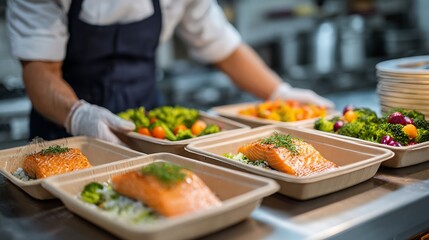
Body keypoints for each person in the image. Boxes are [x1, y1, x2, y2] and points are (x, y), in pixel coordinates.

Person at [7, 0, 334, 144]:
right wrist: (78, 115)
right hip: (64, 125)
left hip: (151, 127)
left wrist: (279, 92)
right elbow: (39, 70)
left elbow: (223, 46)